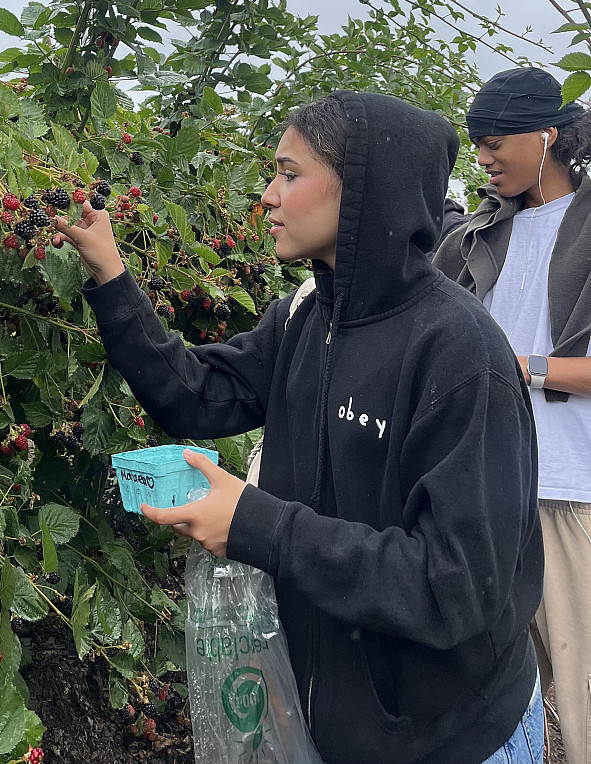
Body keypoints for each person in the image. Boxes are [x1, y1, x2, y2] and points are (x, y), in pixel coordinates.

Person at [54, 91, 543, 764]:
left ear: (364, 189)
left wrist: (254, 522)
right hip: (338, 724)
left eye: (288, 173)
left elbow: (452, 587)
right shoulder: (306, 320)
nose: (266, 195)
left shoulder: (460, 354)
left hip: (448, 738)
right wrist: (108, 273)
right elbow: (194, 397)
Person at [434, 66, 591, 764]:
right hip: (486, 499)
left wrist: (510, 367)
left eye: (495, 141)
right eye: (476, 143)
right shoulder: (475, 237)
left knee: (581, 701)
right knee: (490, 703)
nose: (485, 157)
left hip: (570, 494)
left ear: (547, 134)